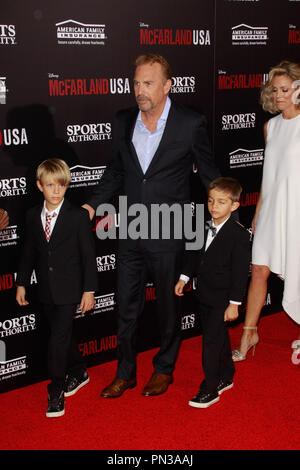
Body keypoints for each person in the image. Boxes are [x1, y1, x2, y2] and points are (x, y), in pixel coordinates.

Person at [83, 53, 220, 398]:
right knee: (125, 308)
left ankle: (164, 368)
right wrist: (90, 206)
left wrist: (224, 214)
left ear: (167, 85)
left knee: (167, 308)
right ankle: (125, 372)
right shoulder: (123, 120)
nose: (139, 91)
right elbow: (115, 171)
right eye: (136, 83)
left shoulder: (190, 123)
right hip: (130, 228)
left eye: (148, 83)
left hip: (170, 230)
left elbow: (208, 174)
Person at [16, 158, 98, 417]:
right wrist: (21, 282)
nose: (55, 191)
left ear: (67, 186)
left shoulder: (77, 216)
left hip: (70, 288)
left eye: (61, 185)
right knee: (61, 334)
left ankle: (56, 388)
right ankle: (79, 369)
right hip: (45, 289)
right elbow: (28, 252)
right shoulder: (31, 216)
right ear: (40, 185)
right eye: (50, 185)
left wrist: (89, 290)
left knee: (58, 337)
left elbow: (88, 256)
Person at [232, 60, 300, 362]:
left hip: (296, 207)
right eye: (276, 90)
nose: (280, 95)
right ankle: (249, 331)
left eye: (286, 89)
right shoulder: (270, 126)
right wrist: (259, 210)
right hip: (272, 206)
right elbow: (268, 173)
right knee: (259, 268)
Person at [175, 177, 250, 408]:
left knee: (210, 342)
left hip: (224, 299)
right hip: (204, 294)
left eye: (221, 202)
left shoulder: (239, 235)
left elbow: (240, 273)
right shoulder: (203, 226)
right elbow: (194, 255)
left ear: (234, 205)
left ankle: (210, 388)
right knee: (217, 336)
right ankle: (227, 374)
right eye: (210, 201)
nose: (214, 206)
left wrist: (234, 303)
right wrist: (184, 277)